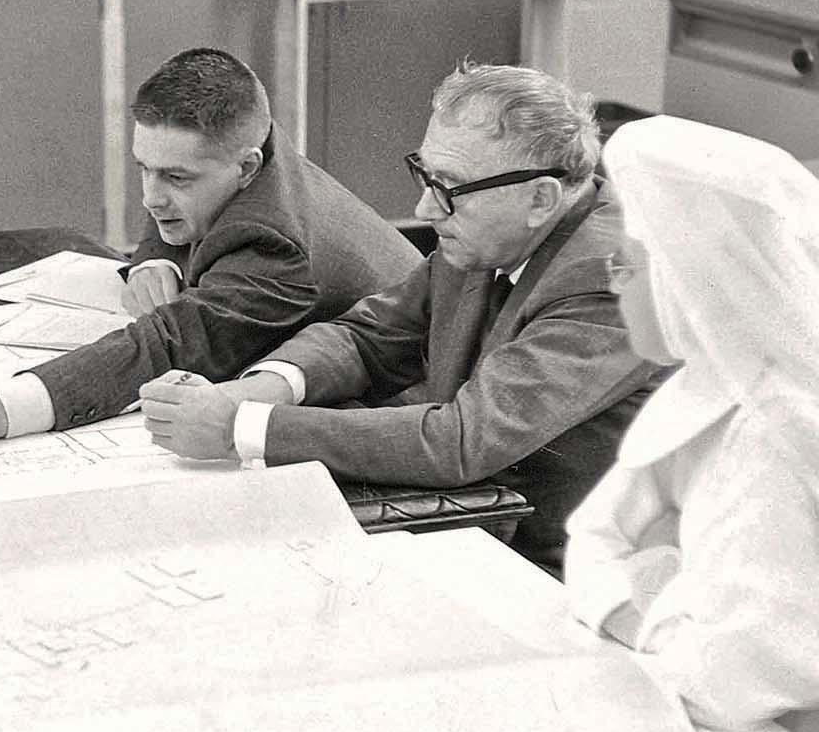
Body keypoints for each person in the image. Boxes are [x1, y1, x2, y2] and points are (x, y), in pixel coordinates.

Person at [139, 62, 670, 573]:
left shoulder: (607, 279)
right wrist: (262, 388)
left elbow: (460, 441)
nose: (424, 210)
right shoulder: (483, 231)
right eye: (425, 176)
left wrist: (239, 428)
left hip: (553, 572)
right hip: (473, 524)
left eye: (449, 188)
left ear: (540, 198)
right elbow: (367, 336)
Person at [0, 48, 420, 466]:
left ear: (247, 168)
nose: (151, 197)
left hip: (392, 420)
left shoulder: (275, 250)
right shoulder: (249, 144)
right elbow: (178, 200)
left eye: (175, 178)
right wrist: (162, 258)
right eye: (143, 168)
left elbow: (157, 349)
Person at [564, 116, 819, 732]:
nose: (614, 283)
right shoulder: (698, 389)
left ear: (685, 277)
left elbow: (732, 680)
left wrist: (648, 579)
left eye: (628, 264)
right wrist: (666, 579)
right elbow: (590, 542)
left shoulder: (771, 430)